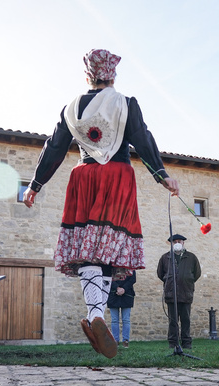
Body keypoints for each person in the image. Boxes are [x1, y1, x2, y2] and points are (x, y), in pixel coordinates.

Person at [22, 49, 179, 359]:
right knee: (107, 248)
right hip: (118, 176)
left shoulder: (71, 108)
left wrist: (35, 184)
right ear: (113, 74)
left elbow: (53, 147)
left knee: (88, 250)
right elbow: (142, 139)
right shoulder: (126, 103)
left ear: (87, 75)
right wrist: (161, 174)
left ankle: (96, 312)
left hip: (84, 177)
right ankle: (97, 315)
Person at [157, 234, 201, 349]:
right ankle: (173, 343)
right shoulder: (165, 258)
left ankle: (186, 343)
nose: (177, 243)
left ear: (183, 243)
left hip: (186, 293)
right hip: (171, 294)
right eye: (175, 241)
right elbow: (160, 274)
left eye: (179, 241)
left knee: (186, 319)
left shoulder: (191, 257)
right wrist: (170, 282)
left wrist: (188, 281)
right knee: (173, 320)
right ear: (171, 244)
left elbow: (197, 273)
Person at [107, 271, 136, 348]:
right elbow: (108, 277)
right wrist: (117, 287)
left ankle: (125, 340)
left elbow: (132, 279)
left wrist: (124, 289)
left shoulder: (130, 265)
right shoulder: (111, 264)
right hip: (113, 294)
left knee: (126, 320)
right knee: (114, 320)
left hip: (127, 294)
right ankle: (115, 340)